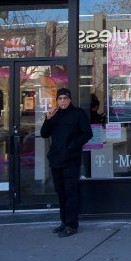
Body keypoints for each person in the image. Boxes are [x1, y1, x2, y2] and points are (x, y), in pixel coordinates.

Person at [40, 88, 92, 238]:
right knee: (61, 192)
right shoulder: (54, 115)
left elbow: (87, 133)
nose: (62, 101)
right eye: (60, 98)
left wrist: (73, 146)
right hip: (56, 160)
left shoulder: (78, 114)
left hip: (71, 160)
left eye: (65, 98)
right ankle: (64, 222)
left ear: (69, 99)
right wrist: (48, 119)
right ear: (57, 100)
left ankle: (71, 224)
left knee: (71, 192)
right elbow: (44, 134)